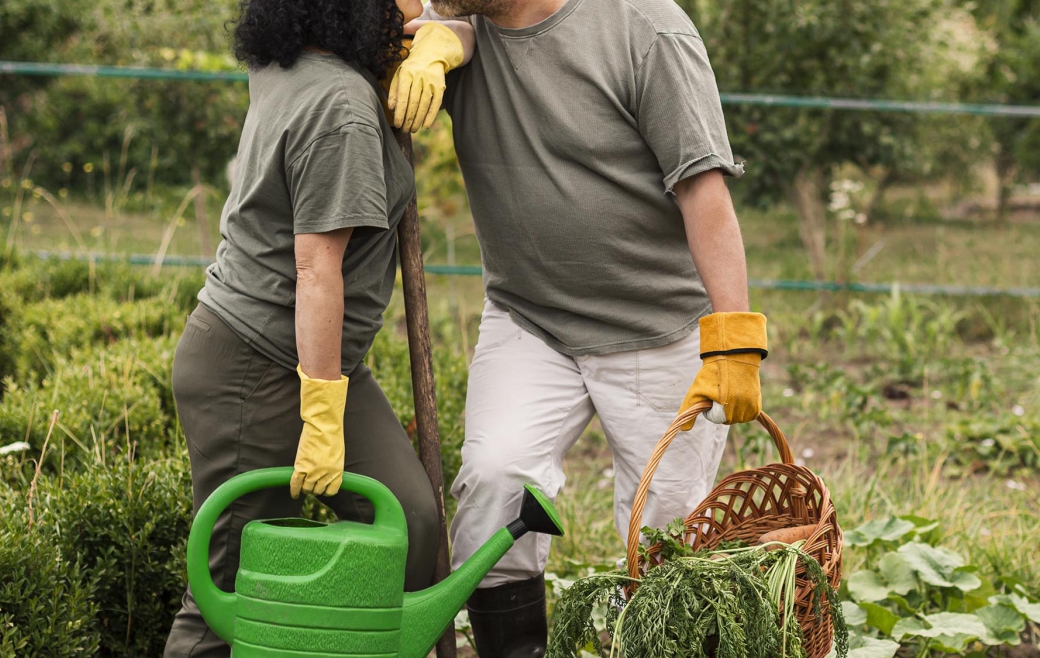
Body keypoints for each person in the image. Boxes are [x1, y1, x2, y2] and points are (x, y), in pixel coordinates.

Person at [411, 0, 769, 654]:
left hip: (656, 327)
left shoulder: (644, 27)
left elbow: (703, 191)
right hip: (531, 320)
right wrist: (435, 40)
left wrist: (734, 337)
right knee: (494, 481)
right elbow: (379, 29)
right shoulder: (459, 39)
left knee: (667, 534)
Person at [162, 1, 472, 655]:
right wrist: (322, 414)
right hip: (256, 365)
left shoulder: (290, 62)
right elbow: (317, 269)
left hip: (315, 359)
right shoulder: (341, 107)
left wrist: (440, 45)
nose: (421, 4)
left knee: (412, 518)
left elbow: (473, 26)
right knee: (224, 590)